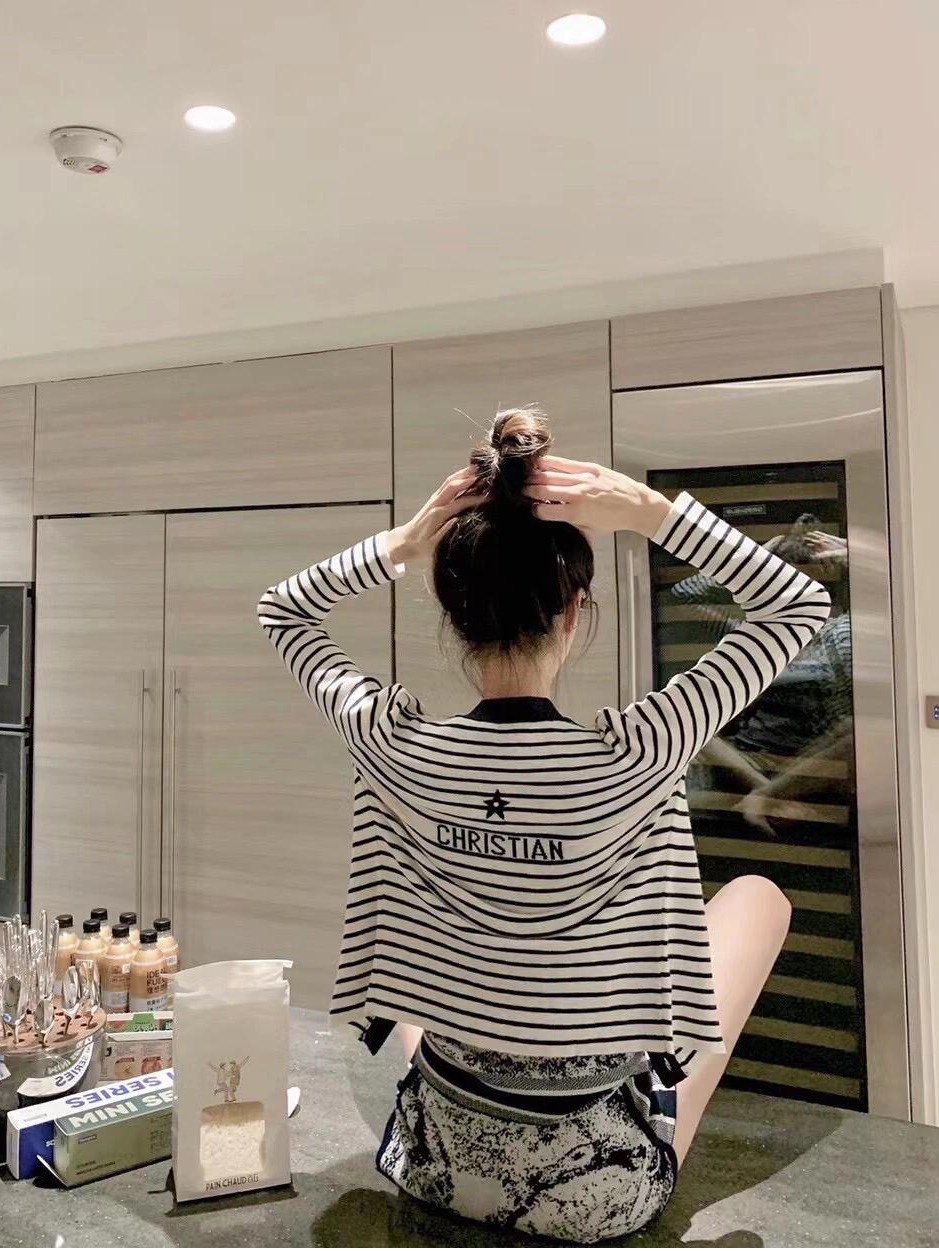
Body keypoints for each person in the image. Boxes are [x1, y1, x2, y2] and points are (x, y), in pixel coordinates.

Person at [258, 407, 831, 1243]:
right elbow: (797, 603)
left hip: (433, 1162)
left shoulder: (393, 742)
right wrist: (651, 514)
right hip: (594, 1193)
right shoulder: (641, 746)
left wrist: (404, 542)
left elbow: (281, 611)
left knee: (451, 934)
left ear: (448, 607)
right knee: (756, 895)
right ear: (573, 610)